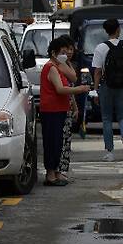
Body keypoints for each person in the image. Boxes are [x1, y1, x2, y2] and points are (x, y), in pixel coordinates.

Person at [40, 37, 90, 186]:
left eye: (68, 51)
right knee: (52, 142)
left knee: (59, 143)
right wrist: (80, 89)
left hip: (60, 109)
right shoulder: (51, 67)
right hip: (51, 110)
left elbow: (73, 77)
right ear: (54, 53)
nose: (66, 54)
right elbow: (61, 89)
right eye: (62, 52)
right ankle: (50, 174)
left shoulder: (60, 66)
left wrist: (65, 63)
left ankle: (56, 172)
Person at [92, 18, 123, 162]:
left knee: (106, 119)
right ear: (118, 29)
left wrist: (95, 90)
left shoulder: (100, 47)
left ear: (106, 31)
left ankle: (110, 152)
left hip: (106, 86)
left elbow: (97, 71)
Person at [57, 35, 79, 182]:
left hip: (69, 107)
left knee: (66, 141)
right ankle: (59, 170)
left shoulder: (71, 65)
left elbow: (71, 90)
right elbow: (70, 85)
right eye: (66, 50)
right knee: (61, 141)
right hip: (60, 108)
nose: (69, 52)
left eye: (71, 49)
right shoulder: (60, 65)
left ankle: (63, 169)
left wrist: (75, 107)